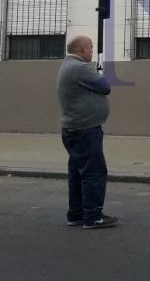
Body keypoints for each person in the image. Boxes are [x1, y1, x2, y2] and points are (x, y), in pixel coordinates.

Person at [57, 35, 118, 229]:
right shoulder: (80, 68)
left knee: (77, 172)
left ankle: (76, 214)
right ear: (83, 49)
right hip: (85, 129)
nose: (92, 52)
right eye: (91, 48)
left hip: (73, 128)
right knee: (94, 172)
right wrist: (100, 75)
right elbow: (105, 87)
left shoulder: (67, 65)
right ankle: (93, 216)